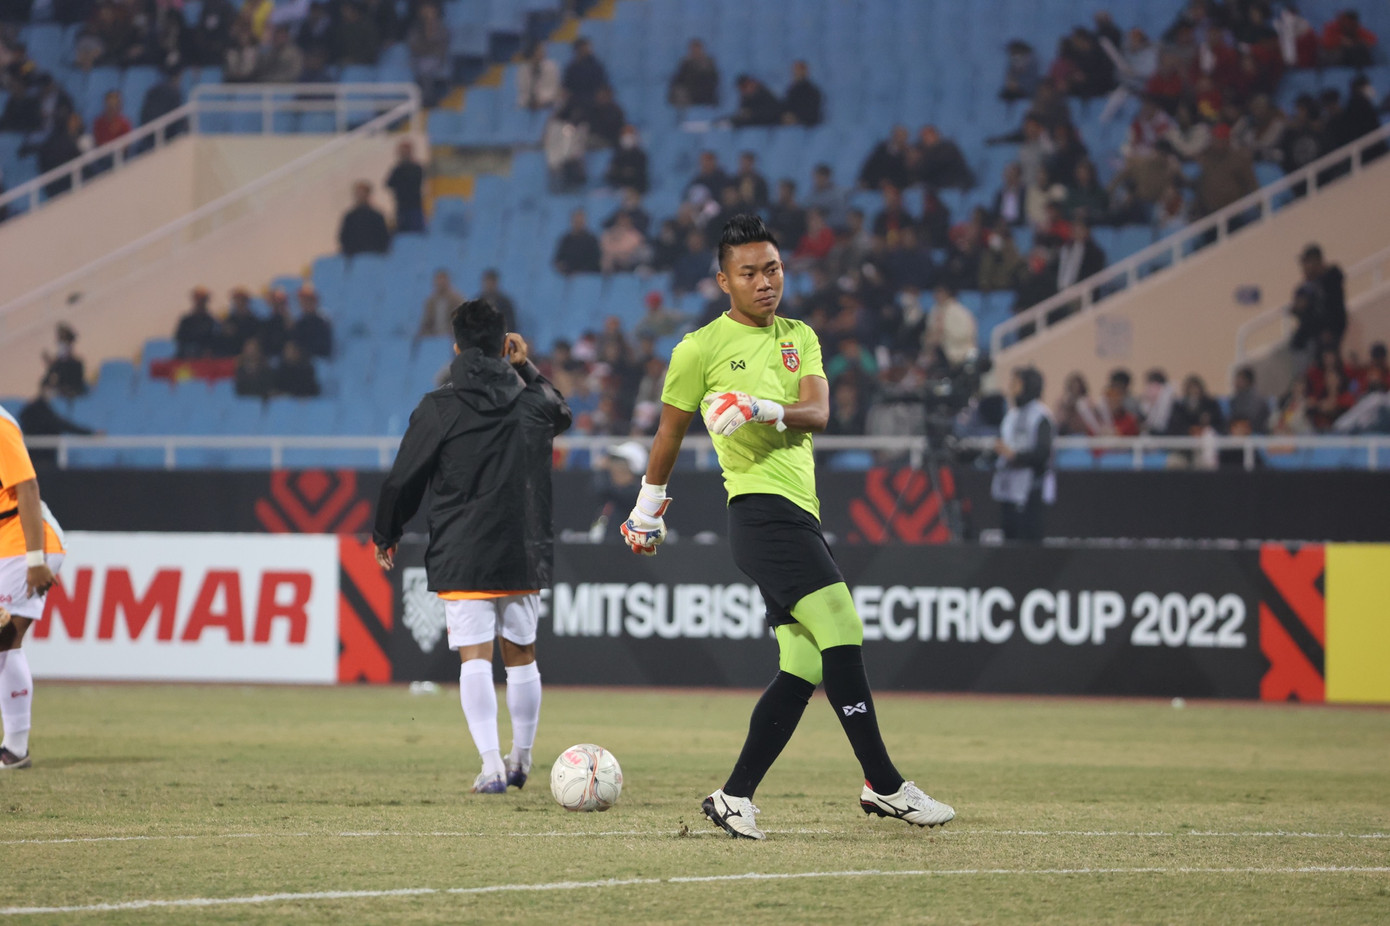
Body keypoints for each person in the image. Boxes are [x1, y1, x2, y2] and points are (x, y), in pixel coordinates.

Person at [620, 214, 954, 839]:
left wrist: (758, 406)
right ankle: (884, 784)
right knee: (843, 624)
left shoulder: (800, 335)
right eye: (748, 273)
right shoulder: (698, 349)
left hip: (798, 512)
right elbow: (668, 432)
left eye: (772, 268)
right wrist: (647, 508)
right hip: (759, 511)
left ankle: (734, 797)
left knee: (802, 661)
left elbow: (819, 412)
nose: (764, 282)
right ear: (724, 280)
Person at [373, 300, 571, 793]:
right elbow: (562, 412)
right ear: (505, 343)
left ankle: (490, 765)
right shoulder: (531, 402)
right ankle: (521, 758)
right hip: (522, 548)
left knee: (476, 658)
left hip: (463, 550)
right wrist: (525, 366)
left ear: (456, 346)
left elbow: (404, 479)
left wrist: (387, 532)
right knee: (522, 653)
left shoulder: (440, 406)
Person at [0, 402, 65, 769]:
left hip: (25, 542)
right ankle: (15, 749)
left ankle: (15, 748)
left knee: (5, 640)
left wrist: (36, 560)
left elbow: (27, 485)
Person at [992, 366, 1054, 543]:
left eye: (1016, 384)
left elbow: (1043, 452)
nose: (1012, 388)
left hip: (1032, 489)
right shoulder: (1011, 415)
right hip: (1008, 488)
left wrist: (1015, 456)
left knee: (1029, 544)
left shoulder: (1041, 415)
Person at [339, 181, 391, 257]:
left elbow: (383, 237)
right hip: (355, 257)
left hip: (373, 257)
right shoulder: (350, 217)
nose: (359, 196)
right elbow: (344, 237)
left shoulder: (376, 215)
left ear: (368, 195)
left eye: (361, 193)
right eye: (357, 194)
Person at [385, 140, 426, 234]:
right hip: (401, 206)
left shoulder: (417, 168)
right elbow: (389, 183)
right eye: (401, 152)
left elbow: (412, 183)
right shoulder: (398, 169)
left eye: (404, 152)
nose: (403, 154)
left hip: (414, 206)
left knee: (416, 234)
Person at [668, 38, 719, 107]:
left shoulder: (708, 63)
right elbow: (678, 79)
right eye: (693, 49)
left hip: (705, 94)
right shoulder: (686, 63)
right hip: (689, 94)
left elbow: (713, 80)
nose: (695, 52)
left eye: (697, 49)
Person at [41, 323, 86, 398]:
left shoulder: (77, 364)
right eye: (60, 342)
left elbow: (76, 389)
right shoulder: (57, 365)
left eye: (64, 342)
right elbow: (44, 385)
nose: (61, 346)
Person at [552, 209, 601, 275]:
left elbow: (596, 260)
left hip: (587, 276)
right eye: (576, 221)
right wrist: (562, 267)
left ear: (585, 222)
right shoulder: (566, 239)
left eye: (581, 221)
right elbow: (558, 259)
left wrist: (581, 271)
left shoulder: (591, 239)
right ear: (572, 221)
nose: (578, 223)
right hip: (569, 276)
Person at [290, 285, 333, 359]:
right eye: (302, 301)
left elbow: (324, 348)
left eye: (307, 301)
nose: (304, 304)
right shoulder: (299, 323)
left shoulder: (322, 321)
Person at [418, 269, 463, 339]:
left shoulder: (456, 299)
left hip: (452, 336)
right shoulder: (430, 301)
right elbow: (426, 321)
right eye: (438, 281)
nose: (440, 283)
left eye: (443, 281)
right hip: (434, 336)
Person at [175, 286, 218, 358]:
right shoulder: (186, 321)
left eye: (202, 300)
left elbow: (216, 341)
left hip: (207, 359)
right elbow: (180, 340)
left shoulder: (212, 322)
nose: (200, 302)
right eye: (198, 299)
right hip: (187, 358)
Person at [517, 42, 560, 110]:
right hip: (528, 103)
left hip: (547, 103)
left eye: (543, 50)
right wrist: (531, 101)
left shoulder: (551, 67)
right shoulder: (523, 68)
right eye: (539, 50)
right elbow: (523, 89)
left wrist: (541, 100)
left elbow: (553, 89)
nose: (542, 52)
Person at [782, 60, 822, 126]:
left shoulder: (812, 91)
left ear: (805, 72)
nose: (797, 73)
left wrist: (797, 118)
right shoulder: (791, 90)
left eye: (799, 70)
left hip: (806, 126)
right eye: (795, 71)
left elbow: (813, 112)